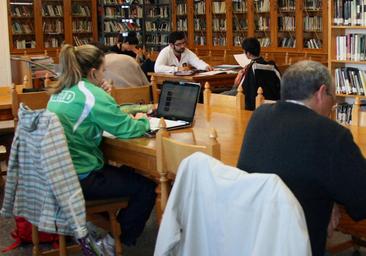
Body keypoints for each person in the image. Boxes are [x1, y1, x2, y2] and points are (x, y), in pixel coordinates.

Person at [237, 60, 366, 256]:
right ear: (322, 93)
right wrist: (329, 197)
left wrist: (328, 198)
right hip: (299, 246)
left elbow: (295, 168)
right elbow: (361, 202)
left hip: (253, 239)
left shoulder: (259, 116)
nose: (332, 107)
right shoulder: (332, 134)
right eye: (333, 98)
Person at [47, 44, 156, 246]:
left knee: (127, 173)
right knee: (146, 188)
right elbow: (126, 128)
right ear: (93, 72)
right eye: (103, 70)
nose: (105, 74)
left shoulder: (61, 90)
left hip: (57, 175)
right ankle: (114, 242)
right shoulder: (92, 95)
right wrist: (144, 121)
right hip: (81, 177)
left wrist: (101, 93)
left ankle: (103, 228)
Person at [223, 37, 281, 110]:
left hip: (251, 105)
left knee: (219, 96)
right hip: (272, 104)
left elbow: (241, 90)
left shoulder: (251, 68)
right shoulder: (272, 66)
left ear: (248, 53)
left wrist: (235, 83)